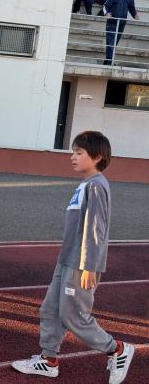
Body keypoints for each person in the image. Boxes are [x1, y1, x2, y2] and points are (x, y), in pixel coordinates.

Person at [12, 131, 135, 384]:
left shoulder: (97, 186)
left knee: (74, 316)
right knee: (50, 310)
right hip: (67, 260)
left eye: (79, 153)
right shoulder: (86, 184)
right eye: (73, 152)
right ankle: (48, 360)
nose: (72, 157)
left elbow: (95, 229)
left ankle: (117, 349)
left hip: (81, 264)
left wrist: (89, 266)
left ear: (97, 157)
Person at [103, 0, 139, 65]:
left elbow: (132, 9)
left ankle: (107, 60)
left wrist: (136, 16)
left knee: (114, 43)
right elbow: (105, 6)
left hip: (122, 24)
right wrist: (106, 14)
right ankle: (110, 61)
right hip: (112, 23)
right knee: (111, 42)